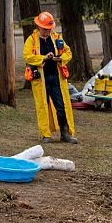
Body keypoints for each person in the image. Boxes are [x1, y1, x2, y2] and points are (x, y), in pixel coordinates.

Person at [23, 12, 77, 144]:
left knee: (61, 106)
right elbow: (27, 56)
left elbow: (68, 53)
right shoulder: (32, 39)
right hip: (40, 80)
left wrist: (60, 59)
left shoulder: (57, 38)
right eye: (45, 29)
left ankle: (65, 134)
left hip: (57, 79)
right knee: (42, 107)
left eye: (49, 29)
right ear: (38, 26)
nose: (47, 31)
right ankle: (46, 135)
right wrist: (43, 58)